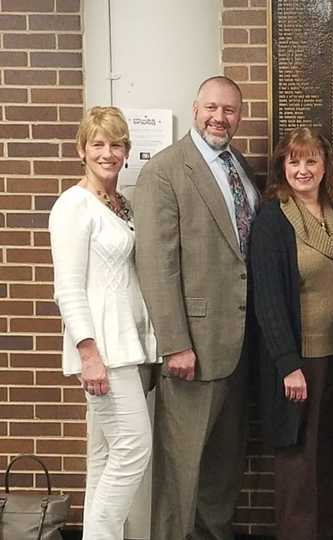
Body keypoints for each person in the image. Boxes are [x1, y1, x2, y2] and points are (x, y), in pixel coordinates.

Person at [133, 75, 260, 540]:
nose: (219, 118)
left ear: (239, 116)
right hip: (193, 349)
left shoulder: (239, 166)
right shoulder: (166, 170)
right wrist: (175, 344)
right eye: (211, 108)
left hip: (239, 346)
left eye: (229, 110)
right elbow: (155, 263)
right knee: (181, 471)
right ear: (194, 108)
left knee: (223, 468)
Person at [49, 106, 159, 539]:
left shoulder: (119, 205)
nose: (107, 153)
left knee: (104, 456)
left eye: (116, 144)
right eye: (98, 144)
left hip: (125, 344)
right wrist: (88, 352)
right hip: (102, 352)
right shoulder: (73, 205)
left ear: (127, 152)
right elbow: (68, 287)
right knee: (133, 448)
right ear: (82, 149)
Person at [250, 127, 333, 540]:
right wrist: (288, 365)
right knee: (299, 468)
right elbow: (269, 301)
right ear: (282, 167)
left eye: (311, 160)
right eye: (294, 161)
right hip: (301, 364)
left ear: (325, 165)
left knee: (329, 459)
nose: (302, 169)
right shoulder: (273, 220)